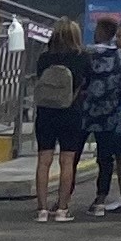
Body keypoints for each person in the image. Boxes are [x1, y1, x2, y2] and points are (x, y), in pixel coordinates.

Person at [79, 15, 121, 216]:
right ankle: (100, 199)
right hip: (110, 115)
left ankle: (63, 199)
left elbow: (80, 82)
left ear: (100, 32)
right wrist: (118, 106)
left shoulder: (86, 54)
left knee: (72, 154)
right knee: (105, 159)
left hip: (85, 113)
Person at [29, 25, 87, 222]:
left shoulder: (44, 58)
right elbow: (86, 82)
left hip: (45, 113)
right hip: (71, 112)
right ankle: (62, 208)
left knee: (44, 160)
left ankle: (42, 209)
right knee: (67, 161)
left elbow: (39, 79)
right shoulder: (81, 57)